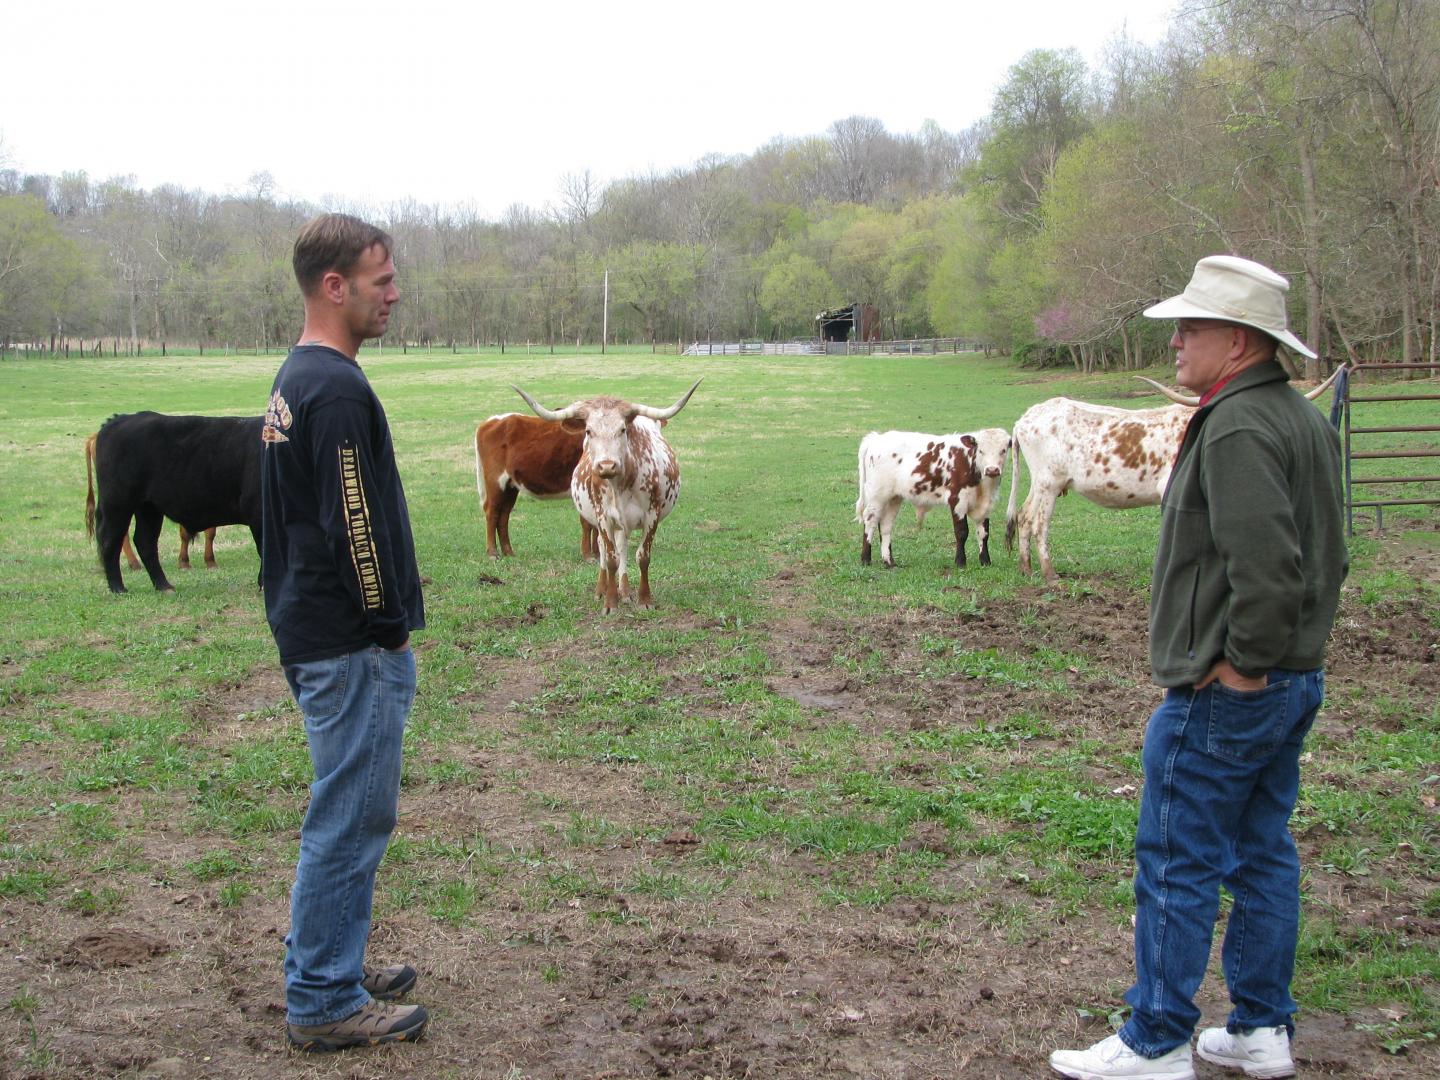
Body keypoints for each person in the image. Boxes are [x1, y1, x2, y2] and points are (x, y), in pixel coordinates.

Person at [1050, 256, 1348, 1080]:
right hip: (1295, 678)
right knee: (1260, 848)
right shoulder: (1299, 420)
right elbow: (1328, 553)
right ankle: (1260, 1029)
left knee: (1178, 853)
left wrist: (1243, 667)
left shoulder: (1242, 426)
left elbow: (1270, 567)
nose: (1176, 341)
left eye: (1192, 326)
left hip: (1236, 688)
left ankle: (1155, 1038)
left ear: (1242, 342)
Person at [261, 213, 428, 1051]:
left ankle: (328, 957)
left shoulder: (299, 379)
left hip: (316, 632)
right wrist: (390, 629)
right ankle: (323, 997)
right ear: (336, 287)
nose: (395, 292)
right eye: (382, 279)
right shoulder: (333, 389)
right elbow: (352, 526)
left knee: (348, 809)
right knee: (352, 816)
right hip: (349, 645)